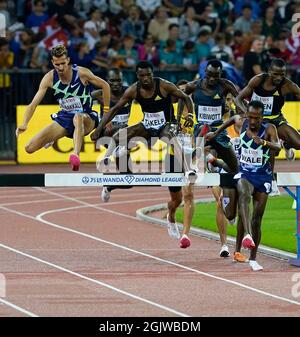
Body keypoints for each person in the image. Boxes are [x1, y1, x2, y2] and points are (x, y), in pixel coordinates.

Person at [207, 100, 281, 271]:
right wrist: (216, 132)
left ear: (262, 117)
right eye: (251, 117)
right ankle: (246, 235)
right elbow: (232, 118)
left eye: (257, 118)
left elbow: (277, 147)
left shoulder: (269, 129)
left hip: (263, 176)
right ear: (247, 115)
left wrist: (264, 142)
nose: (253, 121)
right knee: (244, 192)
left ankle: (253, 259)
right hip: (245, 173)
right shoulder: (243, 122)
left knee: (257, 219)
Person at [90, 61, 194, 177]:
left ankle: (188, 170)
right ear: (137, 76)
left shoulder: (164, 85)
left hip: (165, 124)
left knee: (171, 138)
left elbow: (186, 98)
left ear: (152, 74)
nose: (146, 78)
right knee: (118, 136)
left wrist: (190, 115)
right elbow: (115, 109)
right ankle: (107, 158)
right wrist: (98, 129)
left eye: (148, 75)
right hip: (147, 125)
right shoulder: (133, 90)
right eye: (142, 76)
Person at [16, 44, 110, 171]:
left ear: (68, 60)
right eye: (57, 64)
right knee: (29, 148)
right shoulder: (49, 78)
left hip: (87, 117)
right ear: (52, 62)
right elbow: (33, 103)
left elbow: (105, 86)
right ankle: (54, 137)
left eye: (63, 63)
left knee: (77, 117)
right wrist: (24, 123)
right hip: (65, 117)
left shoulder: (82, 73)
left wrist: (106, 113)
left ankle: (76, 156)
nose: (60, 67)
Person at [235, 58, 300, 162]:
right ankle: (269, 176)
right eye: (275, 74)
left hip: (276, 120)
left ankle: (286, 145)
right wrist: (246, 114)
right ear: (269, 71)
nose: (279, 78)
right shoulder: (258, 80)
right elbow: (238, 99)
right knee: (271, 151)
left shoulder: (288, 85)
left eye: (282, 74)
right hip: (257, 121)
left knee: (298, 143)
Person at [92, 68, 133, 202]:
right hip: (105, 135)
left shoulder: (129, 92)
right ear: (106, 81)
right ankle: (110, 154)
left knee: (128, 180)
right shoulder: (99, 94)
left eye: (118, 80)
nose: (116, 83)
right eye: (112, 80)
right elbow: (82, 99)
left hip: (123, 138)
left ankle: (108, 187)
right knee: (119, 129)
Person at [165, 79, 196, 248]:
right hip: (172, 157)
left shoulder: (195, 111)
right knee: (176, 199)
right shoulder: (170, 111)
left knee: (189, 195)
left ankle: (185, 234)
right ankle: (171, 214)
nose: (184, 94)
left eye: (187, 91)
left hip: (191, 157)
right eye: (181, 91)